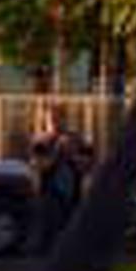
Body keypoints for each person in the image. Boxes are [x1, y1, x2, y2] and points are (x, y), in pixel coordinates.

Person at [26, 106, 90, 252]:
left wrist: (72, 155)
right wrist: (57, 151)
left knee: (72, 227)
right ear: (46, 121)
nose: (55, 123)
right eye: (51, 120)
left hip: (73, 192)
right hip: (50, 192)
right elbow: (40, 165)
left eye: (59, 119)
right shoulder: (40, 141)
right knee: (49, 227)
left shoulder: (76, 139)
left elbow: (87, 163)